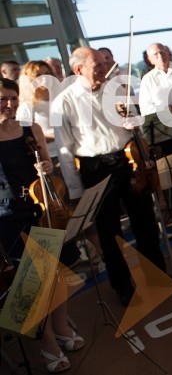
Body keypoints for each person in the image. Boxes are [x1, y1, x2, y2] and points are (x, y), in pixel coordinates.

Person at [52, 47, 165, 308]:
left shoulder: (117, 88)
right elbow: (66, 151)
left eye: (104, 63)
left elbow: (137, 122)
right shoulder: (64, 102)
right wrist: (77, 191)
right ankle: (123, 286)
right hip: (96, 168)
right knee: (109, 232)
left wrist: (132, 121)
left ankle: (157, 276)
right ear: (78, 69)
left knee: (145, 221)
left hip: (128, 161)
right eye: (98, 66)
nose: (105, 69)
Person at [0, 78, 85, 373]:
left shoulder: (30, 128)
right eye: (2, 99)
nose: (9, 104)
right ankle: (46, 342)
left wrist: (45, 167)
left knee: (57, 272)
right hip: (9, 216)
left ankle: (61, 327)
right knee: (31, 283)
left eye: (12, 98)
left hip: (42, 207)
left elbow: (47, 163)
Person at [139, 43, 172, 227]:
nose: (160, 56)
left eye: (162, 52)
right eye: (155, 54)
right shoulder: (148, 80)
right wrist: (166, 109)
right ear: (149, 59)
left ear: (168, 52)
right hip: (167, 128)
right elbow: (146, 108)